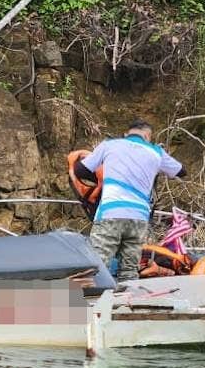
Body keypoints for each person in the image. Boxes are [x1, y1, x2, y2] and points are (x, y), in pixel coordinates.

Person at [77, 119, 185, 282]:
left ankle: (93, 302)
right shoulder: (157, 152)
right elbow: (181, 171)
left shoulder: (109, 145)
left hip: (110, 213)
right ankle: (126, 300)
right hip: (139, 218)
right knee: (129, 269)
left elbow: (81, 170)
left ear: (127, 134)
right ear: (147, 135)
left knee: (97, 266)